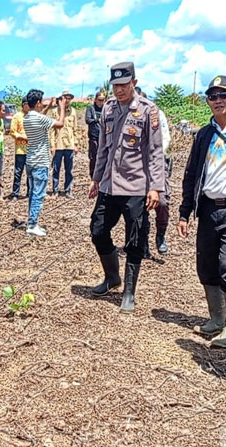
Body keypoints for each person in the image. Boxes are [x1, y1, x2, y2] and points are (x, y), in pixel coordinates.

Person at [177, 75, 226, 348]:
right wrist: (185, 212)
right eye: (212, 96)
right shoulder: (204, 134)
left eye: (223, 95)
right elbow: (191, 174)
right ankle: (216, 318)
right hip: (209, 210)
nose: (218, 101)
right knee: (207, 266)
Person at [89, 62, 165, 313]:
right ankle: (112, 277)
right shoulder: (108, 108)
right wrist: (96, 178)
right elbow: (103, 147)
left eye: (123, 85)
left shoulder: (148, 110)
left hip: (136, 186)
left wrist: (155, 187)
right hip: (109, 185)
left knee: (134, 239)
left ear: (134, 82)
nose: (119, 90)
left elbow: (155, 152)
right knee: (98, 230)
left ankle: (129, 291)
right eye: (115, 86)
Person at [23, 89, 66, 236]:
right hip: (40, 161)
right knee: (38, 194)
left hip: (30, 160)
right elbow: (60, 124)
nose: (42, 104)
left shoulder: (27, 117)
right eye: (41, 102)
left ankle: (32, 222)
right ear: (37, 103)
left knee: (32, 193)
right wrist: (61, 108)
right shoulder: (39, 118)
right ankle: (32, 224)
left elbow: (41, 116)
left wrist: (48, 106)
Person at [137, 87, 172, 257]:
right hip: (137, 166)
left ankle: (160, 236)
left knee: (162, 202)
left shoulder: (157, 114)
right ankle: (143, 243)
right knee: (140, 206)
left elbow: (165, 138)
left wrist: (154, 155)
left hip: (157, 163)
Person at [49, 89, 77, 198]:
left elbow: (75, 129)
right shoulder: (55, 111)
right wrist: (52, 145)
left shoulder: (73, 111)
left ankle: (68, 190)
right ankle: (55, 190)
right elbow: (51, 131)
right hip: (58, 145)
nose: (67, 100)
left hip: (69, 144)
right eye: (66, 98)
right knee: (56, 169)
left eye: (69, 98)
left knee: (69, 169)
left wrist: (76, 144)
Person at [8, 97, 30, 200]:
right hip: (20, 149)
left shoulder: (32, 116)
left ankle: (29, 192)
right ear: (23, 105)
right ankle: (15, 193)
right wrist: (22, 137)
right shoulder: (17, 117)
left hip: (30, 149)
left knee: (30, 172)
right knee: (18, 172)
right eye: (27, 104)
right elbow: (12, 132)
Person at [85, 91, 105, 178]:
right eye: (99, 100)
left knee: (103, 156)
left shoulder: (105, 109)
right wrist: (97, 120)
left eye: (103, 100)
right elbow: (87, 120)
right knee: (93, 156)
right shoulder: (91, 108)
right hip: (93, 136)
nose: (101, 102)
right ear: (95, 99)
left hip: (103, 136)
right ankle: (93, 176)